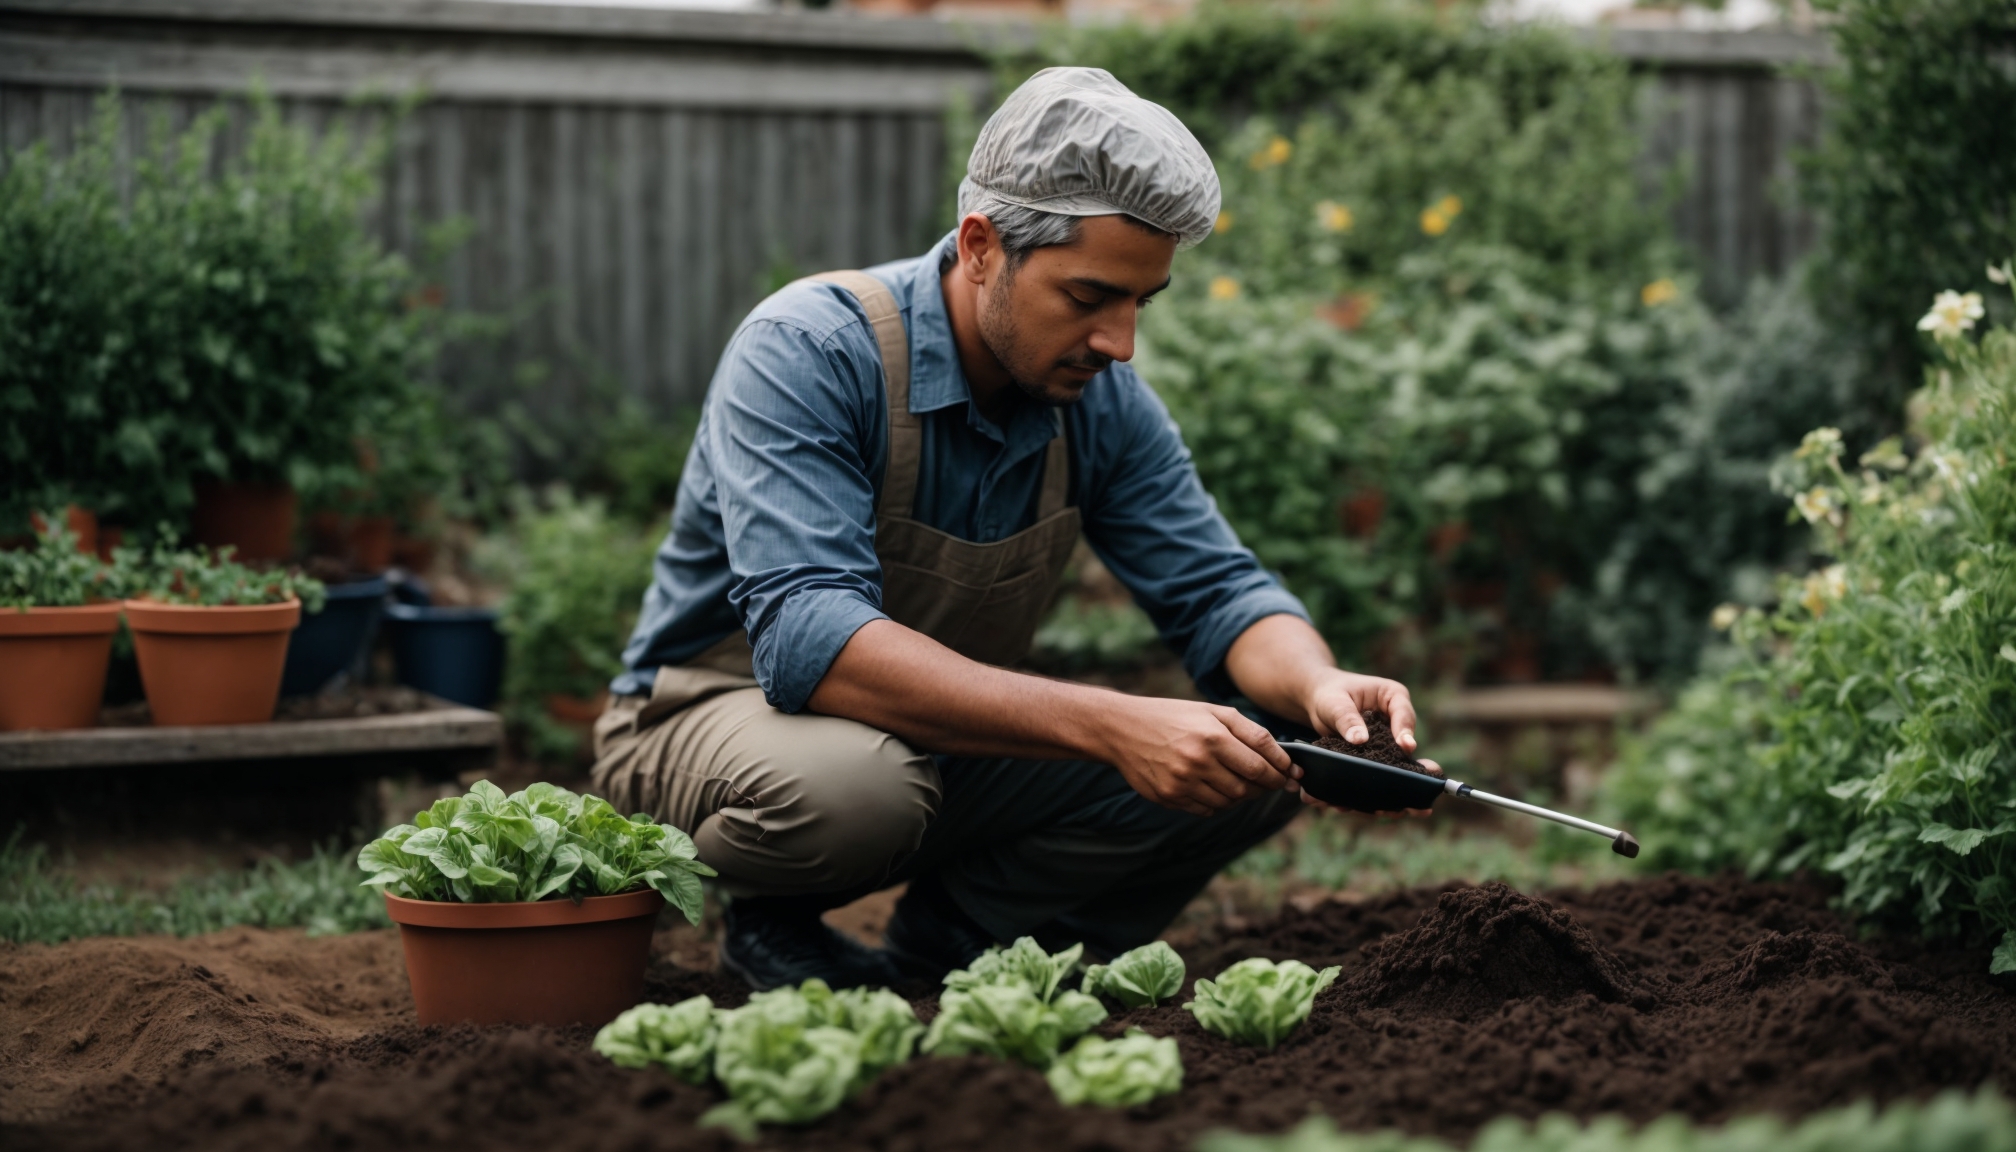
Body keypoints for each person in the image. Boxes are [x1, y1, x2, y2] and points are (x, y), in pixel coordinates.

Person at [592, 66, 1436, 991]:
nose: (1120, 343)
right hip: (709, 724)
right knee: (852, 789)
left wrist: (1317, 685)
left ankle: (956, 946)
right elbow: (806, 642)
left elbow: (1220, 593)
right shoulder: (813, 350)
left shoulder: (1099, 403)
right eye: (1088, 298)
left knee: (1264, 753)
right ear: (983, 246)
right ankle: (772, 922)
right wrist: (1111, 724)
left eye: (1140, 304)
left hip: (928, 740)